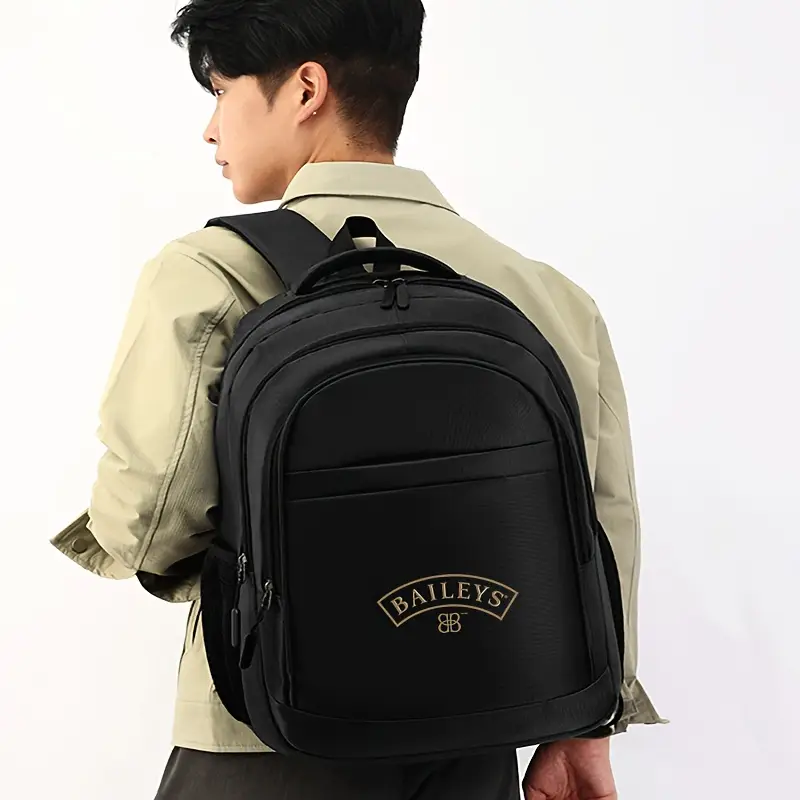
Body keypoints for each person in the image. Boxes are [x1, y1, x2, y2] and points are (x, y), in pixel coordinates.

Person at [50, 1, 666, 798]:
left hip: (267, 737)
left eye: (222, 90)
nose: (210, 128)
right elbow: (602, 528)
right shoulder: (548, 295)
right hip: (480, 729)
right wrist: (585, 730)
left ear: (306, 90)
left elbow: (149, 522)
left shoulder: (209, 273)